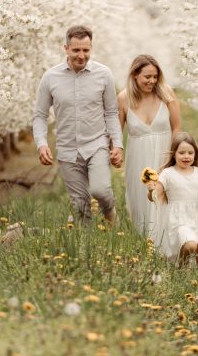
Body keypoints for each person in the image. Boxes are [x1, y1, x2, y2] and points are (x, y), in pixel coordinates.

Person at [32, 25, 123, 223]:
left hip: (97, 144)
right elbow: (39, 115)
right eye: (76, 50)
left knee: (101, 190)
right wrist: (41, 143)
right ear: (66, 48)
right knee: (80, 205)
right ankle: (86, 249)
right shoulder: (50, 78)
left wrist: (117, 144)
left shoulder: (104, 74)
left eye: (86, 50)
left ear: (91, 48)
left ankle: (111, 215)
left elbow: (111, 112)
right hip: (67, 149)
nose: (81, 56)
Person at [117, 54, 181, 236]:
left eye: (155, 76)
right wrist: (116, 152)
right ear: (135, 75)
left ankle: (168, 240)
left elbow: (177, 127)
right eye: (147, 77)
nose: (152, 81)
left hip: (164, 153)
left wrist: (172, 157)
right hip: (137, 157)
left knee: (165, 196)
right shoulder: (123, 98)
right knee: (140, 201)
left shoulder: (166, 92)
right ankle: (146, 242)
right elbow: (116, 132)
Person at [146, 132, 198, 264]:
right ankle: (181, 267)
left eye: (190, 153)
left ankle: (193, 268)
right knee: (190, 245)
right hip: (178, 220)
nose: (186, 156)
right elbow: (154, 197)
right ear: (174, 153)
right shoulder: (168, 173)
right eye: (182, 152)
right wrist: (151, 191)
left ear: (195, 154)